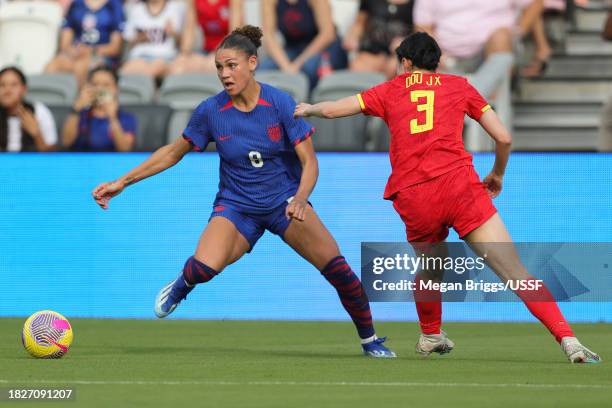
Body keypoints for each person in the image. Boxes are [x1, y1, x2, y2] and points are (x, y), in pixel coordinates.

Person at [294, 32, 601, 364]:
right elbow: (504, 137)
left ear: (407, 63)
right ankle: (568, 340)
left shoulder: (388, 90)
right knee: (515, 272)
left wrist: (309, 108)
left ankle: (430, 334)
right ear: (435, 63)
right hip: (459, 187)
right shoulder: (459, 86)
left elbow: (335, 109)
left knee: (430, 268)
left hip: (414, 196)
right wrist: (497, 174)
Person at [91, 25, 395, 358]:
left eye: (231, 65)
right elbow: (172, 152)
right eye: (219, 67)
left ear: (252, 63)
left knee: (339, 271)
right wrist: (123, 181)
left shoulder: (279, 103)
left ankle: (370, 341)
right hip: (236, 207)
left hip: (284, 204)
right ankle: (183, 284)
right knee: (204, 268)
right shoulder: (211, 111)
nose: (224, 73)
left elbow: (310, 163)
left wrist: (301, 199)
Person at [413, 0, 542, 98]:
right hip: (448, 59)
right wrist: (439, 57)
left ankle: (487, 109)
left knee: (501, 37)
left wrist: (519, 30)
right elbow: (422, 26)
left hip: (493, 53)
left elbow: (535, 3)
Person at [259, 0, 347, 88]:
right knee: (263, 70)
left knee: (309, 70)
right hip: (292, 47)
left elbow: (328, 34)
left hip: (321, 47)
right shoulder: (269, 1)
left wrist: (297, 64)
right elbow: (268, 37)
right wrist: (286, 67)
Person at [45, 0, 125, 86]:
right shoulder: (76, 4)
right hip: (77, 53)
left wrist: (91, 50)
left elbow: (116, 47)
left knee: (81, 66)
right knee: (53, 65)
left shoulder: (114, 5)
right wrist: (73, 50)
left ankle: (82, 98)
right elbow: (65, 42)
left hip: (101, 55)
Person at [63, 66, 137, 151]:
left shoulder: (126, 118)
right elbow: (66, 142)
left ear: (116, 89)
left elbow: (125, 149)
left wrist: (113, 118)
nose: (99, 89)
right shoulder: (79, 115)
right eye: (95, 84)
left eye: (106, 85)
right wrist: (76, 109)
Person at [343, 0, 414, 78]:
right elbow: (359, 22)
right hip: (371, 50)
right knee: (358, 66)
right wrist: (353, 37)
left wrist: (406, 43)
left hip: (399, 53)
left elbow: (420, 31)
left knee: (396, 68)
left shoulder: (419, 4)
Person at [169, 0, 244, 74]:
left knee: (212, 65)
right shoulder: (193, 1)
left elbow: (234, 35)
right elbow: (189, 29)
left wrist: (217, 55)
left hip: (232, 49)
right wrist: (184, 54)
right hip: (207, 51)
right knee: (178, 66)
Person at [121, 0, 186, 80]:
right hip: (140, 56)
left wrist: (172, 32)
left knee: (158, 65)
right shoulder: (136, 9)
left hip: (165, 56)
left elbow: (183, 43)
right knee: (126, 71)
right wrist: (140, 38)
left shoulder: (175, 8)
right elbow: (128, 40)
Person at [0, 66, 57, 152]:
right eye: (2, 85)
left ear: (24, 89)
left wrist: (36, 134)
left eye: (13, 85)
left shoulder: (39, 111)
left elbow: (52, 155)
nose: (7, 90)